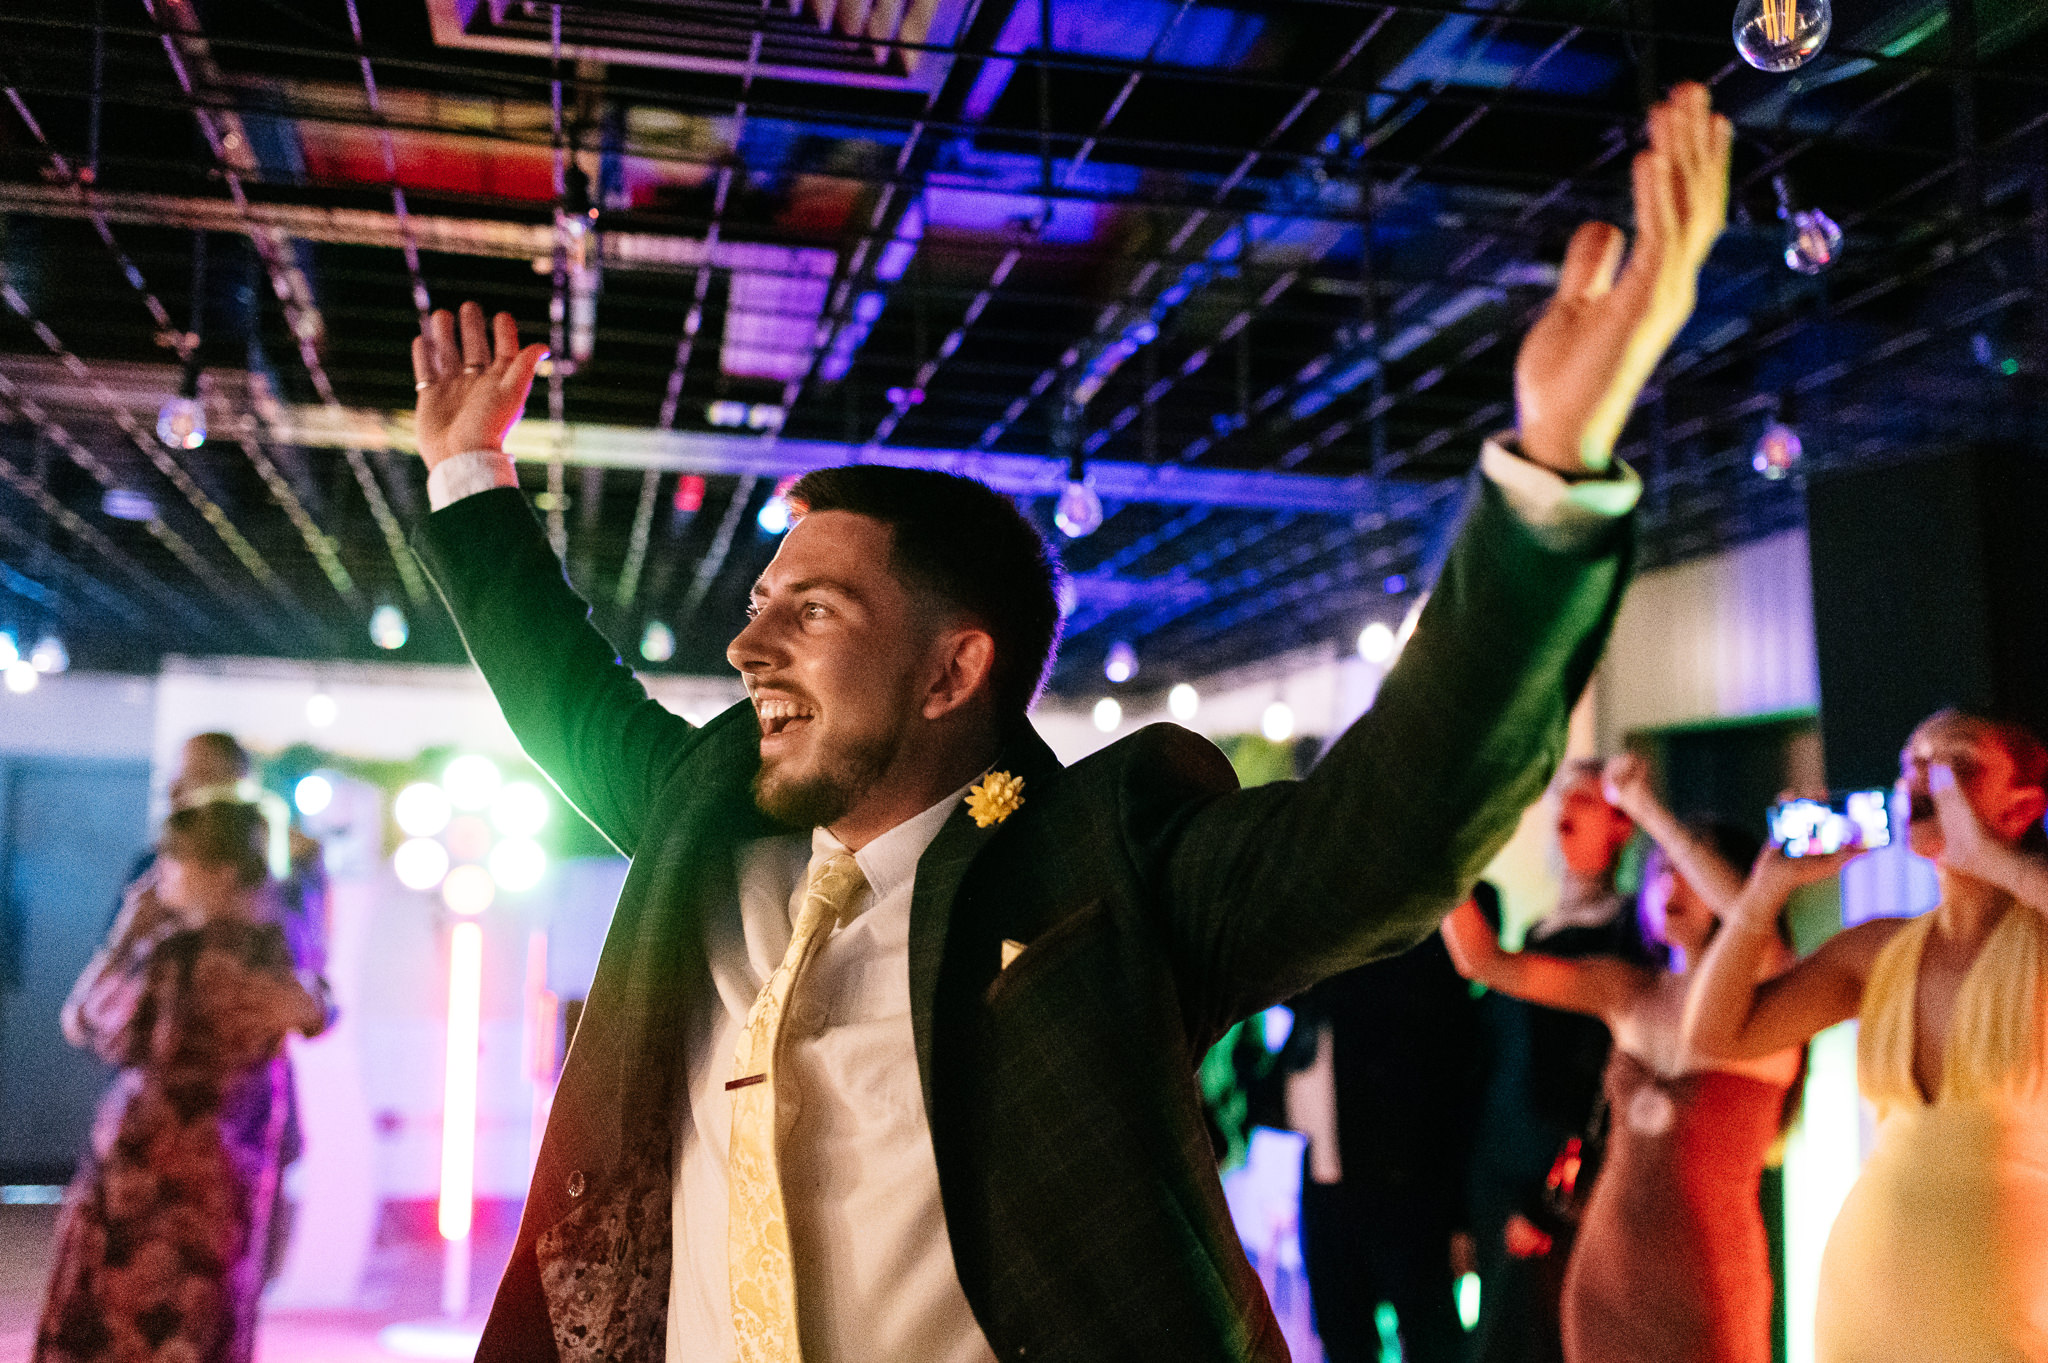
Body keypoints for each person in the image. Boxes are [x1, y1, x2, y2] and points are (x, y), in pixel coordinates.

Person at [406, 85, 1729, 1363]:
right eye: (759, 604)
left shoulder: (1104, 866)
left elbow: (1394, 825)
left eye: (809, 608)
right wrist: (467, 470)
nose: (749, 644)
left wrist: (1551, 472)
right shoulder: (713, 805)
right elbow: (567, 700)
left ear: (948, 673)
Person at [1681, 708, 2048, 1362]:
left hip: (2005, 1299)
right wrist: (1764, 893)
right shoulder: (1879, 948)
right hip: (1865, 1299)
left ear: (2020, 808)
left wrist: (1996, 860)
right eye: (1911, 763)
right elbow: (1712, 1035)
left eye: (1954, 763)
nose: (1923, 778)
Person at [1445, 755, 1802, 1363]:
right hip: (1603, 1278)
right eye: (1660, 870)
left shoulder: (1772, 998)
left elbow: (1755, 925)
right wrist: (1436, 850)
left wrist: (1648, 811)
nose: (1670, 884)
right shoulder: (1628, 988)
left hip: (1706, 1289)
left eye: (1688, 870)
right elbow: (1484, 962)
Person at [35, 801, 330, 1363]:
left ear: (217, 872)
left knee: (122, 1318)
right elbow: (316, 1013)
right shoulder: (275, 948)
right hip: (231, 1169)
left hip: (149, 1169)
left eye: (175, 861)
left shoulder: (175, 953)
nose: (160, 874)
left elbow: (86, 1022)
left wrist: (127, 933)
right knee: (203, 1313)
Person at [1464, 760, 1651, 1363]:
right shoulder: (1541, 929)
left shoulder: (1631, 935)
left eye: (1586, 799)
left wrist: (1551, 1191)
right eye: (1561, 796)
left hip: (1562, 1183)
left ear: (1621, 822)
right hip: (1503, 1166)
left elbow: (1597, 1077)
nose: (1565, 808)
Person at [1283, 930, 1480, 1363]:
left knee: (1427, 1335)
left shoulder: (1405, 961)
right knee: (1344, 1336)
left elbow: (1452, 1091)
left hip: (1400, 1185)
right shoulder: (1318, 986)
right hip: (1327, 1183)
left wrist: (1456, 1214)